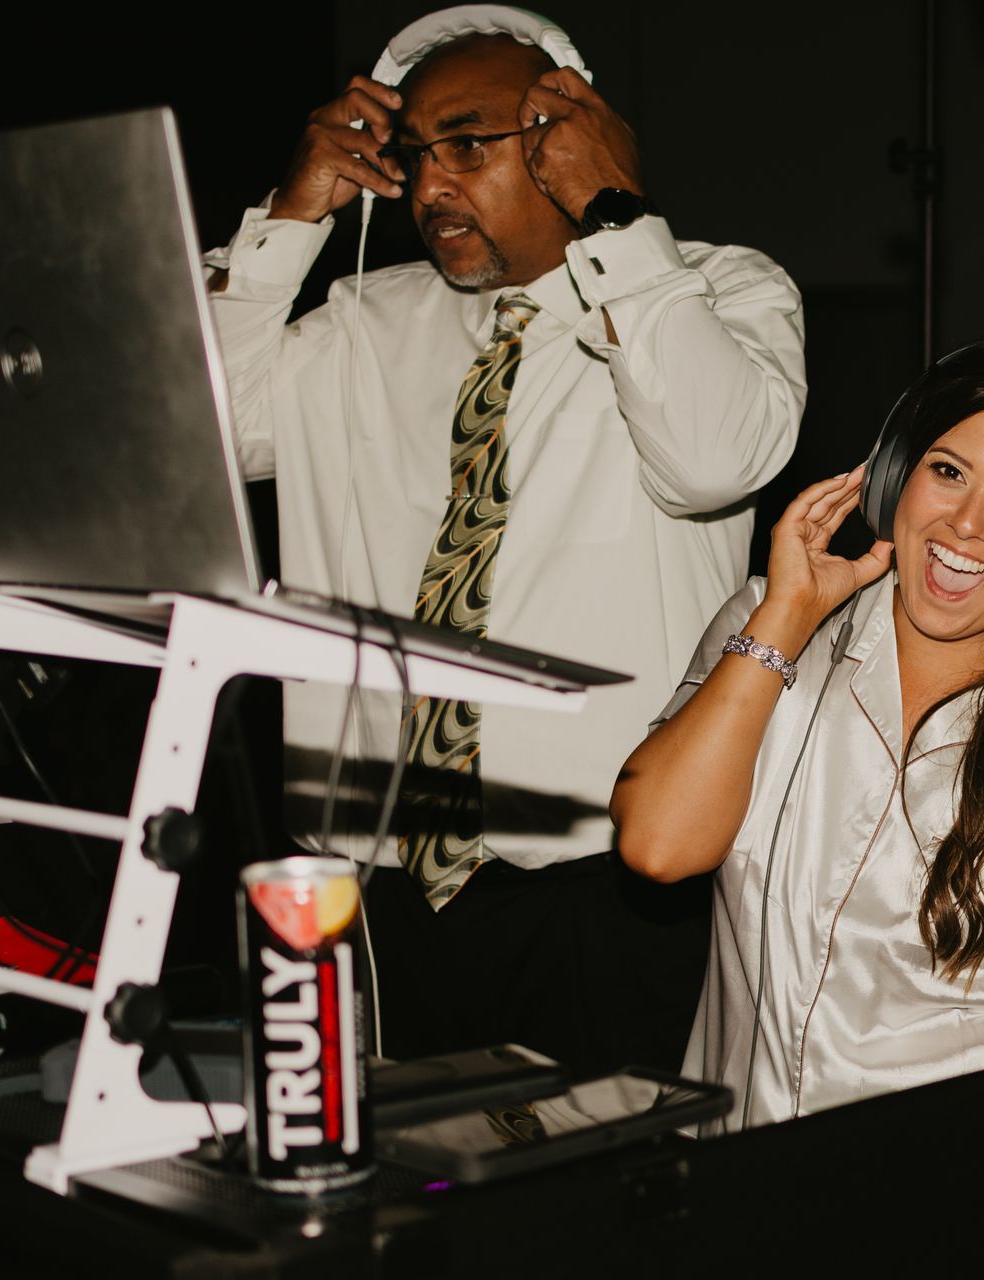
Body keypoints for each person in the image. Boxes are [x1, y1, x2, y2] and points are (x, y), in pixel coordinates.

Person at [206, 10, 805, 1077]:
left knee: (608, 1218)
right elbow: (183, 431)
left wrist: (616, 213)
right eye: (411, 156)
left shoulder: (712, 290)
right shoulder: (357, 321)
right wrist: (292, 215)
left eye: (469, 145)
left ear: (563, 132)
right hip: (380, 886)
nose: (431, 189)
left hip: (605, 890)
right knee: (406, 1218)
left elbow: (715, 456)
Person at [612, 340, 984, 1128]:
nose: (966, 524)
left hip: (942, 1203)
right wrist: (781, 619)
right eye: (947, 471)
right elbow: (658, 845)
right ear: (895, 477)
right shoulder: (769, 627)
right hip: (734, 1179)